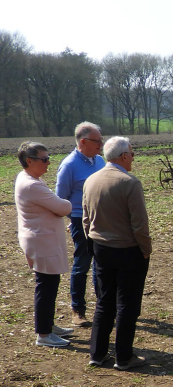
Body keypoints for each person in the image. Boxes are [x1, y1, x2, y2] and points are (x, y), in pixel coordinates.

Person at [83, 137, 152, 370]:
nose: (133, 158)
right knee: (127, 305)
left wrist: (92, 241)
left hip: (100, 248)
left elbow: (86, 218)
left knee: (104, 302)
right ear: (123, 156)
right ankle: (124, 356)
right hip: (128, 251)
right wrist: (146, 250)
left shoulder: (91, 180)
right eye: (132, 154)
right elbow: (140, 225)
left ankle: (97, 353)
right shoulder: (130, 183)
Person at [15, 142, 76, 347]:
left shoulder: (30, 179)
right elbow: (63, 206)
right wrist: (63, 205)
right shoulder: (33, 184)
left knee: (50, 283)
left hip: (41, 239)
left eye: (48, 157)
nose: (49, 163)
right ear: (29, 161)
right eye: (44, 159)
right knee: (46, 285)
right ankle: (43, 334)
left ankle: (48, 325)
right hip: (41, 241)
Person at [55, 121, 106, 327]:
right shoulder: (69, 165)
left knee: (101, 263)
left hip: (101, 218)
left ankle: (104, 305)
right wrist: (73, 222)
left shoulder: (100, 161)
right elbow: (61, 199)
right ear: (83, 142)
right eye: (97, 141)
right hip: (80, 219)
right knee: (82, 264)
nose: (101, 145)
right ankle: (78, 309)